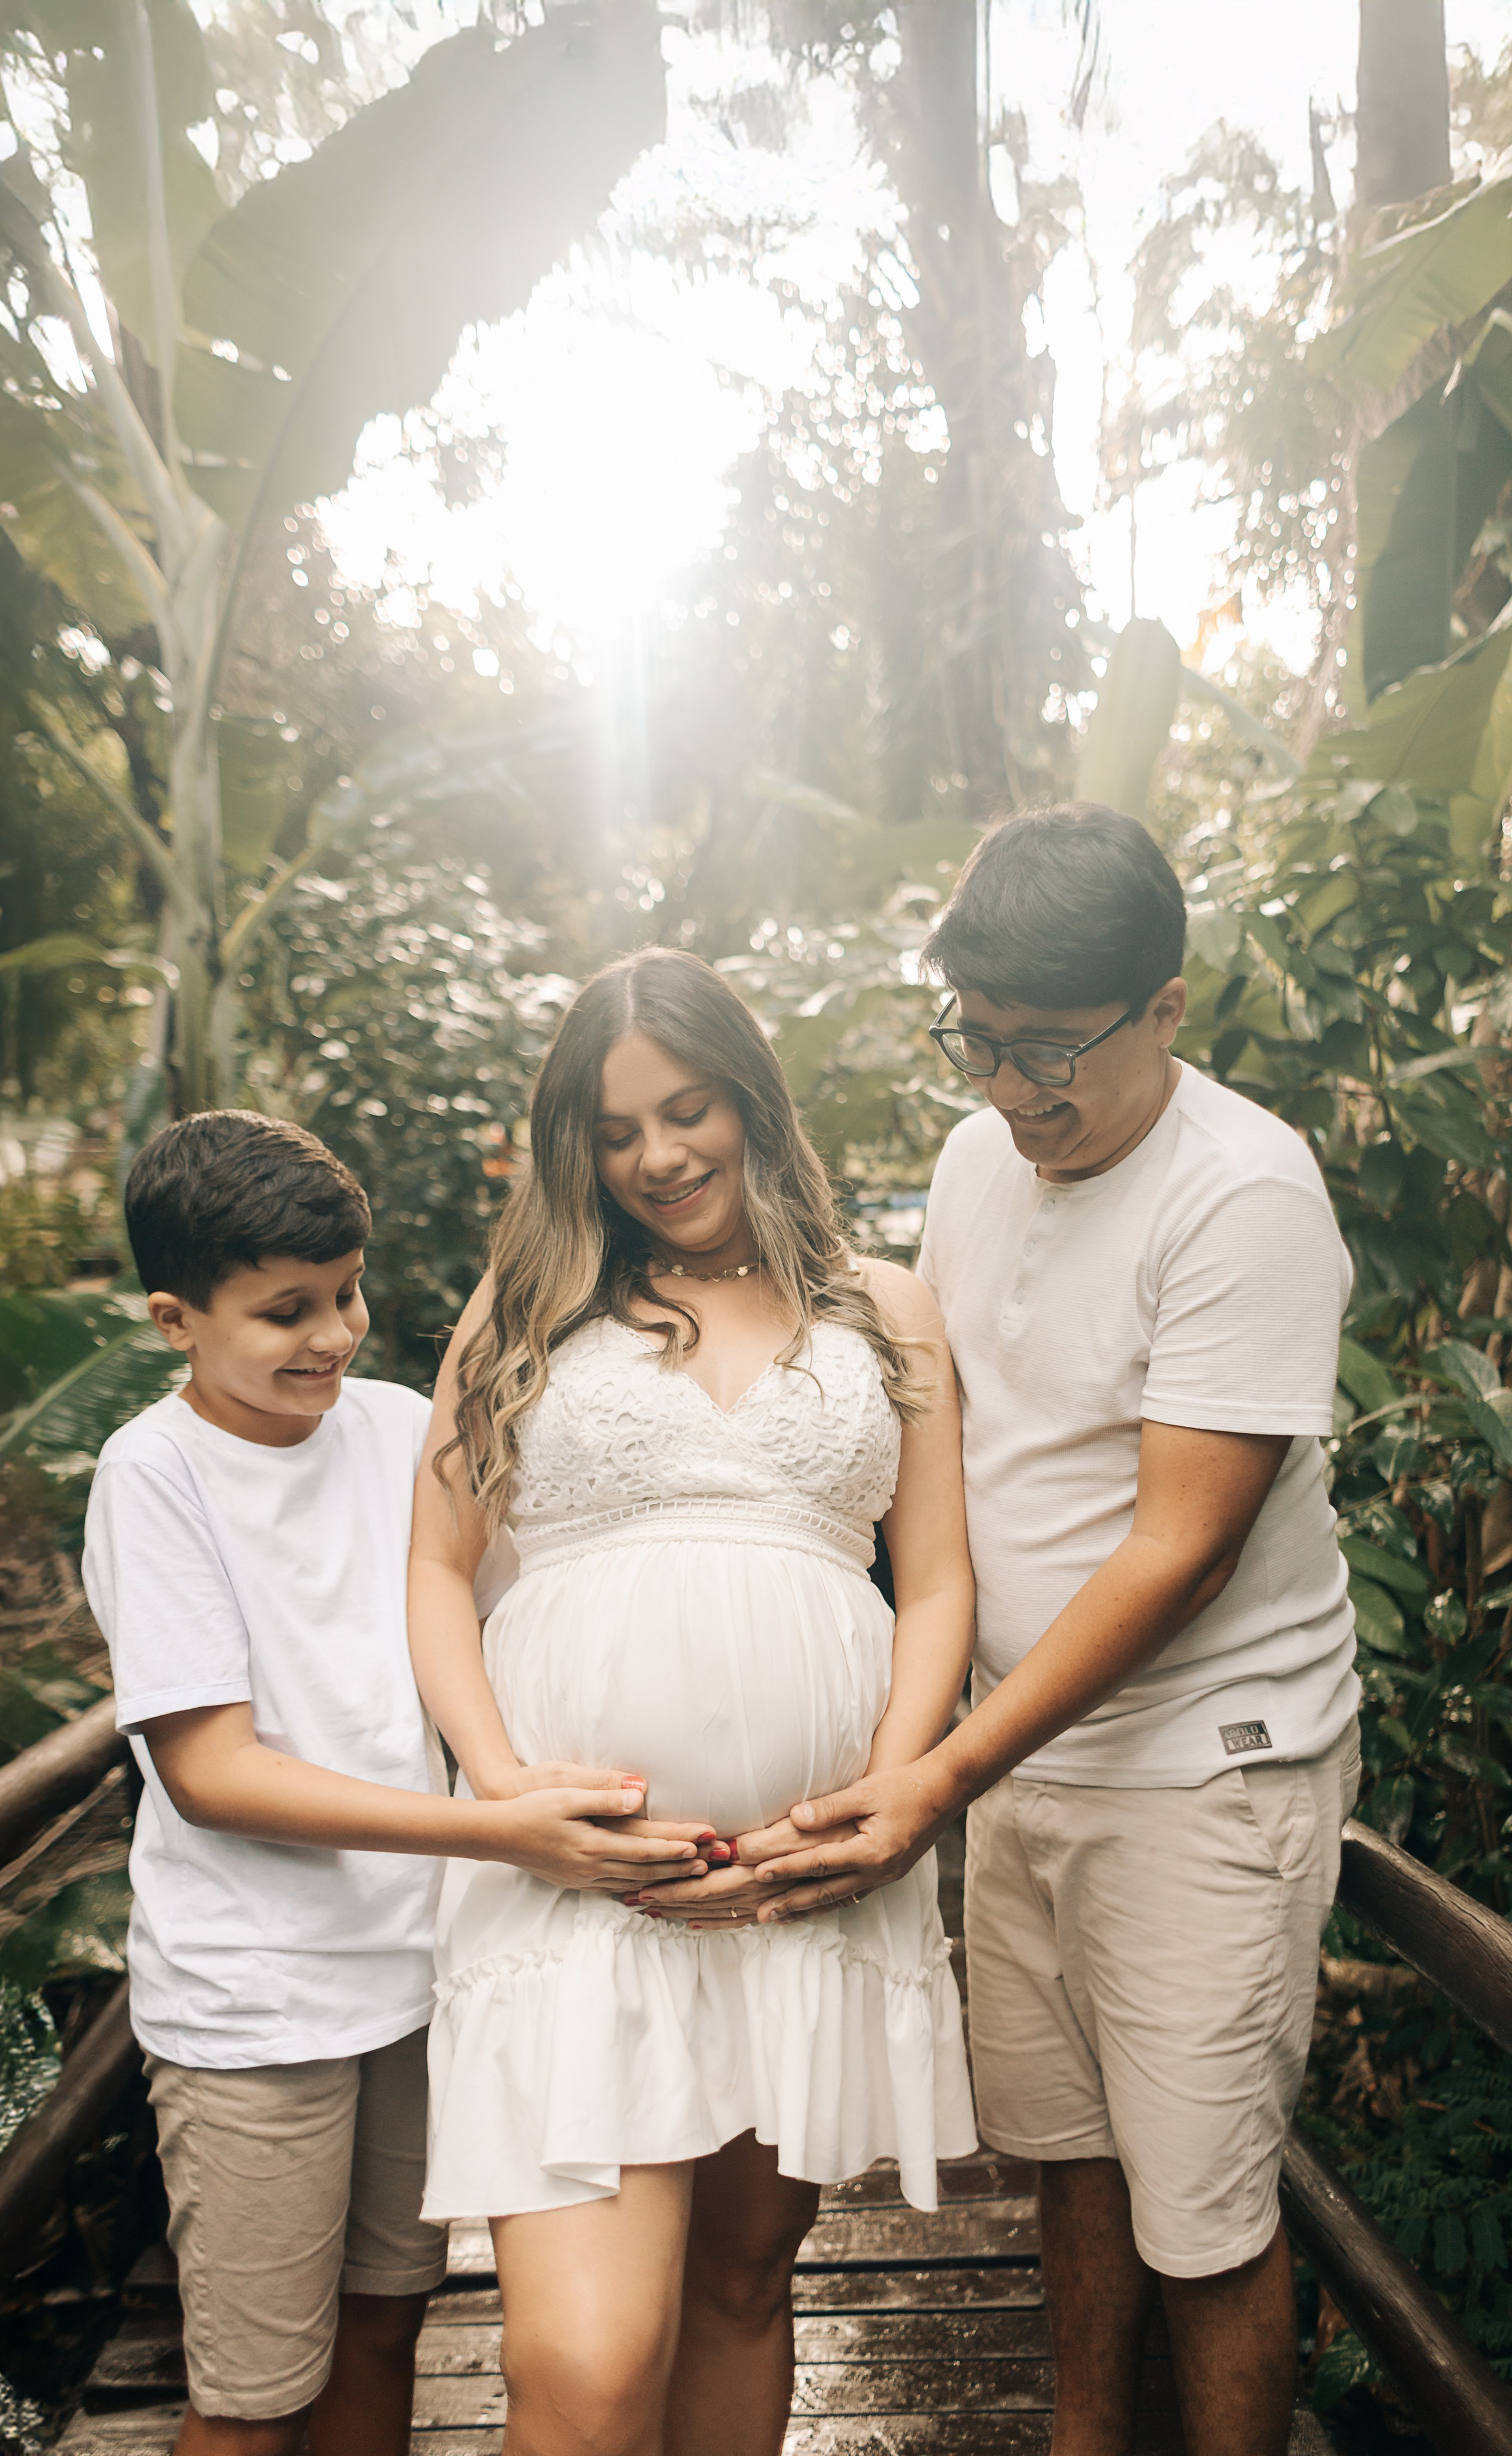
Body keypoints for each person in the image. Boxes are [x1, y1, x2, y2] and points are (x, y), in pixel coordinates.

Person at [743, 807, 1361, 2456]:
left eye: (1047, 1052)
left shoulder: (1242, 1194)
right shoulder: (975, 1161)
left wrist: (936, 1777)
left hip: (1200, 1776)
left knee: (1204, 2208)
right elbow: (931, 1442)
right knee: (1065, 2157)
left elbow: (1180, 1554)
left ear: (1165, 1008)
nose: (1008, 1093)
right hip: (1019, 1756)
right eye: (976, 1043)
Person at [409, 949, 977, 2456]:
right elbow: (433, 1569)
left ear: (749, 1098)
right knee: (590, 2365)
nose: (656, 1156)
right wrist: (502, 1797)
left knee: (738, 2289)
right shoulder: (526, 1301)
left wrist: (886, 1789)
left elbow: (930, 1582)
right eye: (612, 1132)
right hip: (577, 1897)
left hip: (804, 1893)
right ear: (573, 1150)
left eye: (686, 1109)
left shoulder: (886, 1307)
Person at [83, 1110, 711, 2456]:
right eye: (283, 1312)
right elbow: (211, 1773)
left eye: (348, 1294)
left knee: (385, 2326)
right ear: (173, 1318)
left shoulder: (388, 1427)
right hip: (257, 2001)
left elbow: (519, 1608)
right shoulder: (154, 1474)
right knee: (251, 2400)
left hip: (414, 1977)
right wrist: (492, 1830)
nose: (332, 1334)